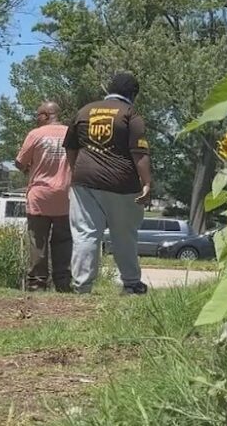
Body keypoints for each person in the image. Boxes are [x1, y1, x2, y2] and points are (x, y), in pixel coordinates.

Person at [63, 72, 154, 295]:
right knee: (124, 234)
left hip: (84, 183)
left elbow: (70, 148)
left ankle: (82, 286)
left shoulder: (84, 111)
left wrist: (76, 173)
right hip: (122, 184)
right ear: (133, 94)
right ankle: (131, 284)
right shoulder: (131, 114)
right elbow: (139, 154)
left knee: (85, 233)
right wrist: (147, 183)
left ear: (109, 90)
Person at [14, 101, 73, 292]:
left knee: (38, 241)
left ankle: (37, 283)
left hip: (40, 196)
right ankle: (63, 282)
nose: (36, 118)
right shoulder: (71, 133)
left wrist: (30, 169)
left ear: (46, 115)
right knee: (63, 241)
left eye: (38, 115)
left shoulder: (35, 134)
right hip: (65, 196)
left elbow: (20, 162)